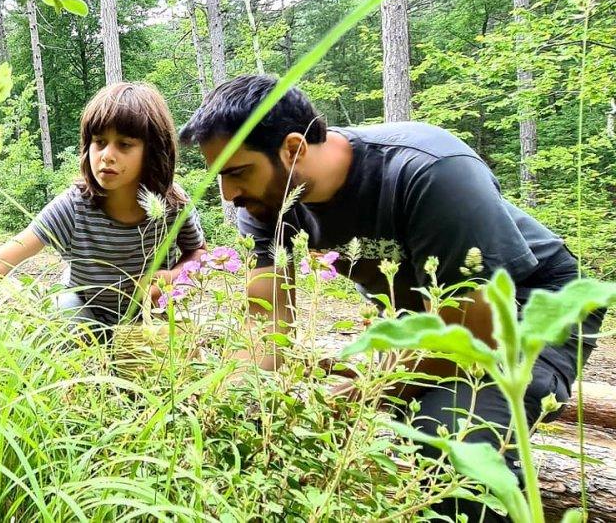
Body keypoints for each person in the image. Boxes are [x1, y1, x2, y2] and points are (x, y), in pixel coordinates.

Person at [178, 74, 606, 522]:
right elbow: (266, 321)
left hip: (530, 308)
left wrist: (359, 391)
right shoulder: (268, 202)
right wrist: (229, 401)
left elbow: (473, 335)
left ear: (293, 149)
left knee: (448, 442)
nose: (229, 195)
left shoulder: (429, 169)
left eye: (237, 172)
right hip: (421, 320)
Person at [0, 82, 207, 343]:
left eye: (124, 145)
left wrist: (173, 276)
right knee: (62, 310)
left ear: (153, 150)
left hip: (149, 315)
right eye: (99, 142)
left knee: (177, 350)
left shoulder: (174, 205)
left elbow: (199, 253)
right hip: (83, 312)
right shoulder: (74, 207)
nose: (107, 156)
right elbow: (1, 261)